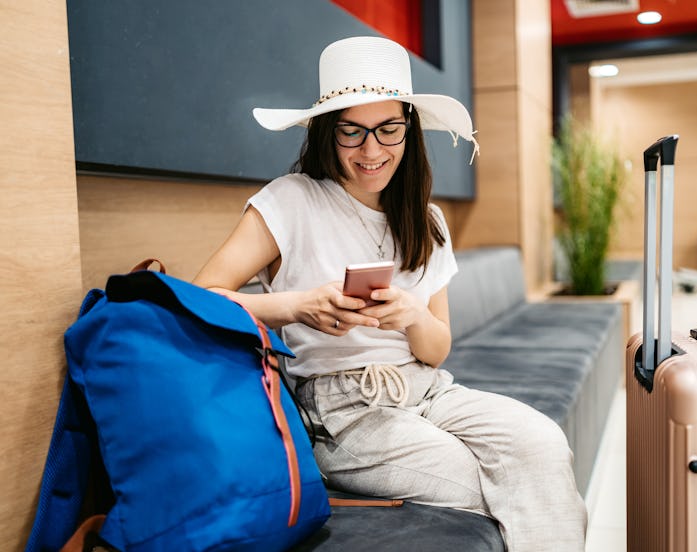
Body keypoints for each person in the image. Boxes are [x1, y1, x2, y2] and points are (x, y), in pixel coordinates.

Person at [193, 36, 587, 551]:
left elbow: (438, 348)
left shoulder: (428, 220)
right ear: (326, 133)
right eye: (351, 131)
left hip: (429, 390)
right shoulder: (290, 201)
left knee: (542, 445)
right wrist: (296, 305)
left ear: (409, 127)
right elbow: (198, 298)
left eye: (387, 129)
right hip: (344, 414)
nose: (372, 150)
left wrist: (412, 316)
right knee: (500, 482)